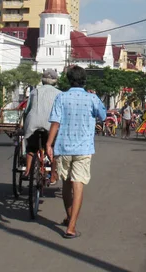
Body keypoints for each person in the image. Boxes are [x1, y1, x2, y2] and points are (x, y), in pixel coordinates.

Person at [46, 66, 106, 239]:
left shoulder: (61, 97)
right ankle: (71, 227)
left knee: (66, 184)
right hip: (83, 148)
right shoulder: (92, 98)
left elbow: (55, 122)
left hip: (63, 146)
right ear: (84, 80)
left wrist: (49, 144)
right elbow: (103, 115)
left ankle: (70, 217)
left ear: (68, 80)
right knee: (78, 184)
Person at [23, 69, 61, 182]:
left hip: (33, 124)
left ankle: (28, 170)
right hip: (50, 125)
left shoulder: (34, 92)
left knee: (31, 147)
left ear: (43, 80)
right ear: (55, 81)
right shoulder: (59, 93)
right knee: (54, 148)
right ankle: (53, 175)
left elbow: (27, 110)